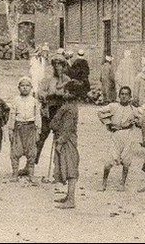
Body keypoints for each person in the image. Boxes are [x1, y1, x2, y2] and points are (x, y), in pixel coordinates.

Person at [97, 86, 138, 192]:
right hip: (116, 135)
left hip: (128, 135)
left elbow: (141, 119)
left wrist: (135, 122)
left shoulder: (133, 109)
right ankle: (104, 183)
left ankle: (122, 184)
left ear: (130, 97)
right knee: (108, 161)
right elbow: (100, 112)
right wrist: (109, 123)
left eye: (126, 94)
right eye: (122, 94)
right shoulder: (113, 106)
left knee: (126, 160)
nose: (124, 96)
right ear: (119, 95)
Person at [50, 80, 81, 209]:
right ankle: (69, 196)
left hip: (66, 141)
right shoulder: (69, 106)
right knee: (67, 167)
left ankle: (71, 199)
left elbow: (67, 128)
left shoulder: (70, 109)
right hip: (64, 139)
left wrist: (60, 142)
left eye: (66, 91)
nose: (64, 93)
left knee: (70, 168)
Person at [36, 54, 70, 168]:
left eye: (60, 64)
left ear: (64, 66)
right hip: (48, 111)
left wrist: (62, 95)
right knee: (42, 136)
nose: (57, 67)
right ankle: (31, 164)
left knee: (59, 138)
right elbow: (40, 92)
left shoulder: (67, 80)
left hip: (61, 111)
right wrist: (49, 95)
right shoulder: (47, 79)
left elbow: (70, 94)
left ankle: (59, 167)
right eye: (55, 64)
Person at [8, 76, 41, 180]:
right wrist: (10, 129)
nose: (25, 88)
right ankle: (14, 174)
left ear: (31, 87)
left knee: (31, 152)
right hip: (19, 127)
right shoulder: (16, 100)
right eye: (22, 86)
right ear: (18, 87)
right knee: (15, 151)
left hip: (31, 128)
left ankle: (31, 174)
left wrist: (38, 130)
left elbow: (37, 115)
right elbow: (12, 115)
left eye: (27, 85)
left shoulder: (34, 101)